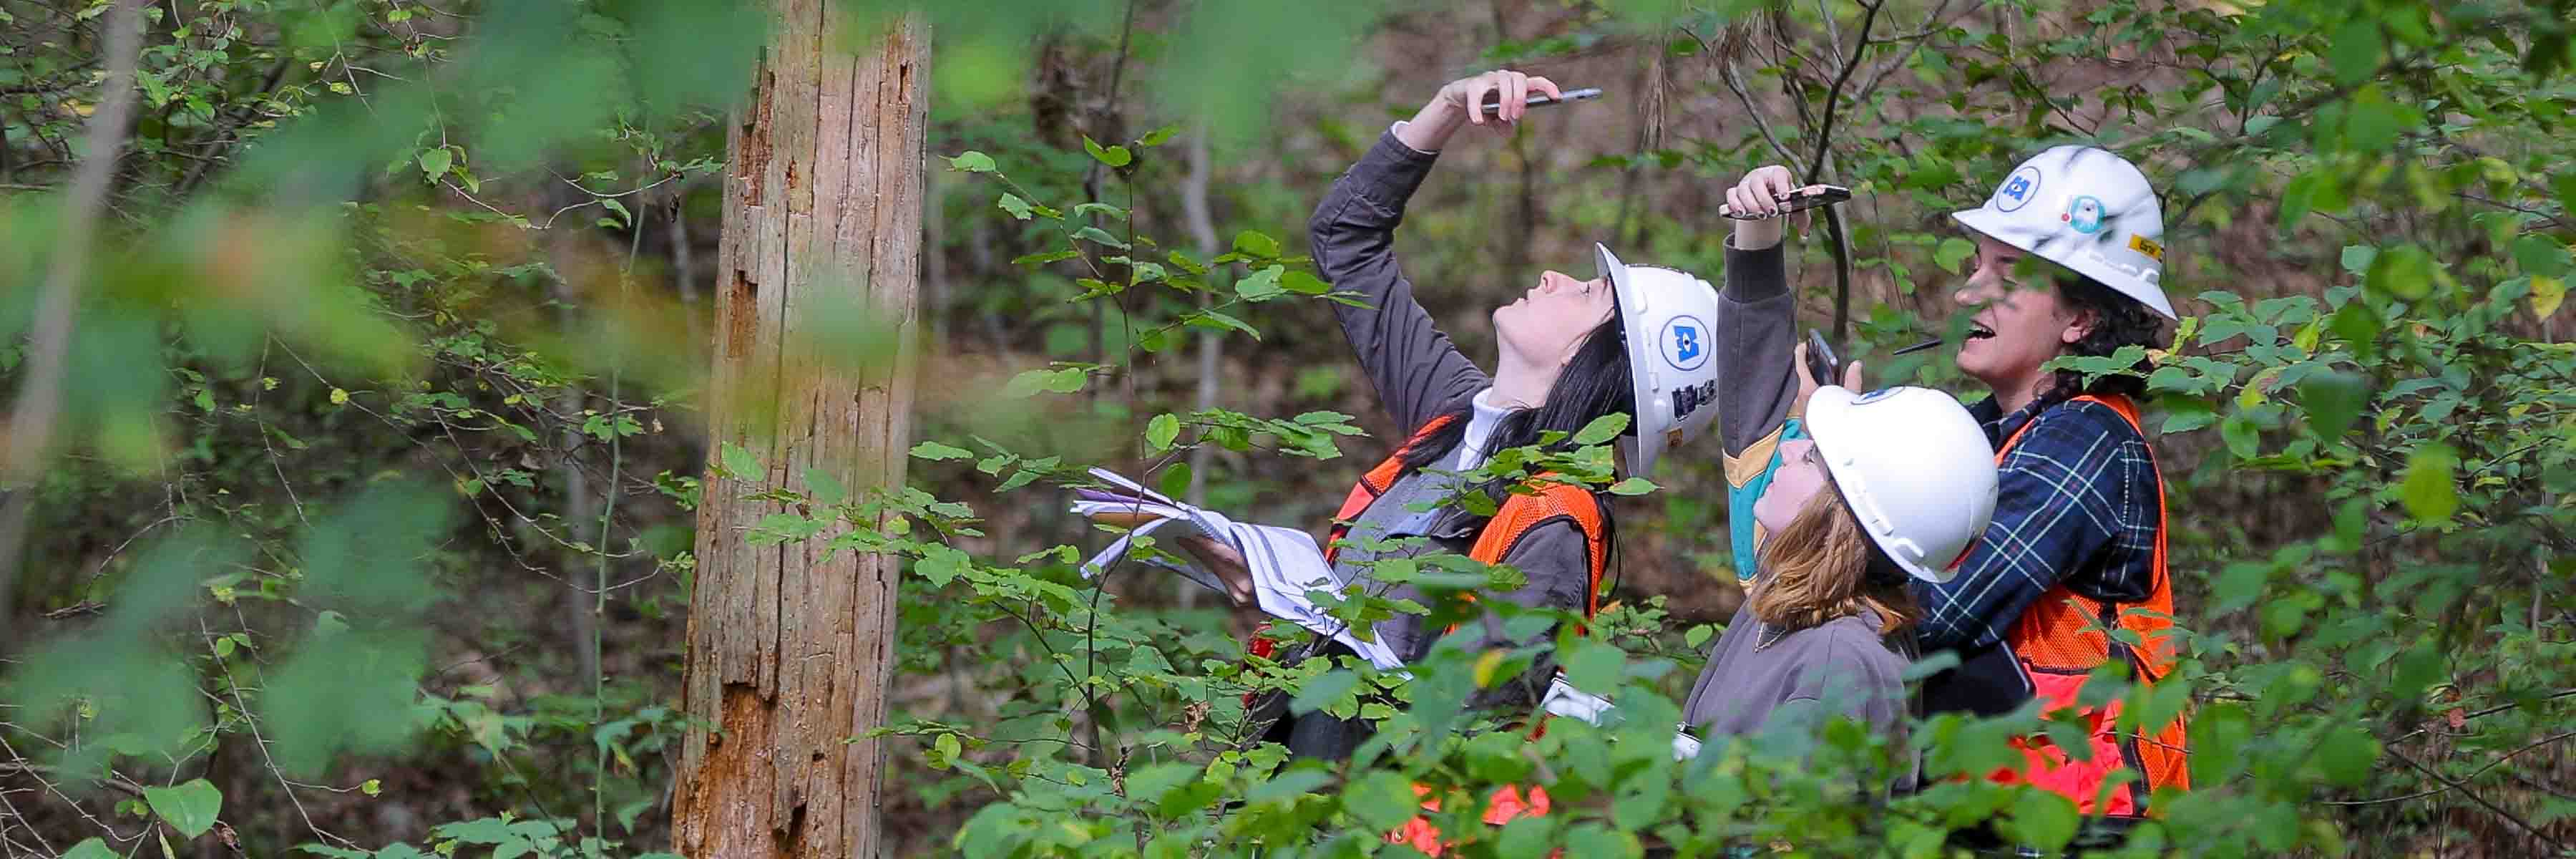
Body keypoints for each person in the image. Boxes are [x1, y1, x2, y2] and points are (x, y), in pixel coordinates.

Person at [1724, 147, 2190, 822]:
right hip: (1996, 813)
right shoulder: (1989, 433)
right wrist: (1758, 248)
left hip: (2081, 824)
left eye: (2008, 272)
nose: (1968, 291)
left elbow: (1927, 609)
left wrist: (1832, 490)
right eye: (1977, 263)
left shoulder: (2087, 443)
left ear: (2080, 318)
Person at [1677, 378, 1998, 744]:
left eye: (1814, 456)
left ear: (1843, 518)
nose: (1791, 450)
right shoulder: (1791, 596)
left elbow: (1789, 802)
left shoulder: (1835, 664)